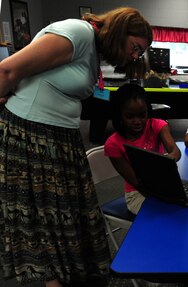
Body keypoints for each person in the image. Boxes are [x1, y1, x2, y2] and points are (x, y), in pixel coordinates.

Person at [0, 7, 153, 287]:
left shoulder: (92, 47)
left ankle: (65, 277)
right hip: (32, 134)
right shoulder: (78, 32)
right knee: (46, 215)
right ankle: (54, 281)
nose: (134, 56)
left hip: (60, 137)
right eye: (135, 48)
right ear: (121, 31)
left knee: (68, 214)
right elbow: (8, 69)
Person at [104, 83, 181, 215]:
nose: (137, 121)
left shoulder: (157, 126)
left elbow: (175, 152)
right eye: (130, 116)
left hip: (162, 185)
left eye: (142, 115)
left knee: (182, 209)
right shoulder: (113, 144)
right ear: (119, 115)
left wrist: (167, 159)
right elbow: (136, 183)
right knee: (166, 215)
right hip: (137, 193)